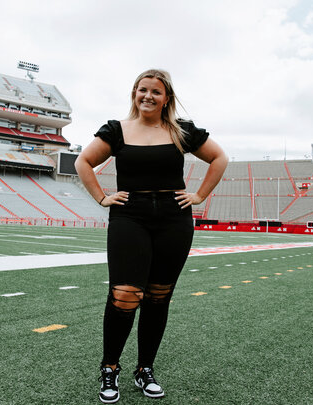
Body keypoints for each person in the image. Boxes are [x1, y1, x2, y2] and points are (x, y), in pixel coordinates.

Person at [75, 69, 228, 403]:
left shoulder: (181, 131)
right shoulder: (116, 130)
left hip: (174, 218)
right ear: (134, 93)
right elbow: (83, 161)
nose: (147, 96)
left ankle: (145, 369)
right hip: (131, 215)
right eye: (142, 90)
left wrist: (199, 195)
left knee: (159, 296)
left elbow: (219, 158)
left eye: (155, 92)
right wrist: (102, 197)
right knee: (125, 294)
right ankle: (110, 368)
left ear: (166, 98)